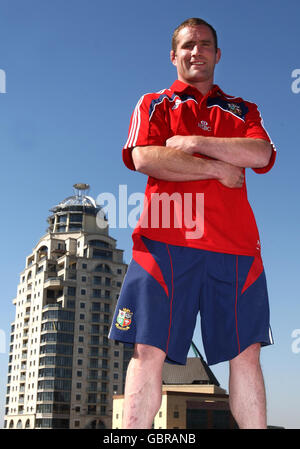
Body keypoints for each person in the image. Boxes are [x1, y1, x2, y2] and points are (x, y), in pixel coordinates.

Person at [109, 17, 276, 429]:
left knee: (246, 354)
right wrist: (220, 170)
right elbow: (146, 157)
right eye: (187, 45)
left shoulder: (242, 109)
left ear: (217, 55)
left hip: (235, 249)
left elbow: (259, 154)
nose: (195, 51)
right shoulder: (154, 103)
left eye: (204, 45)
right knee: (147, 351)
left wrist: (194, 143)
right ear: (173, 55)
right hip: (163, 245)